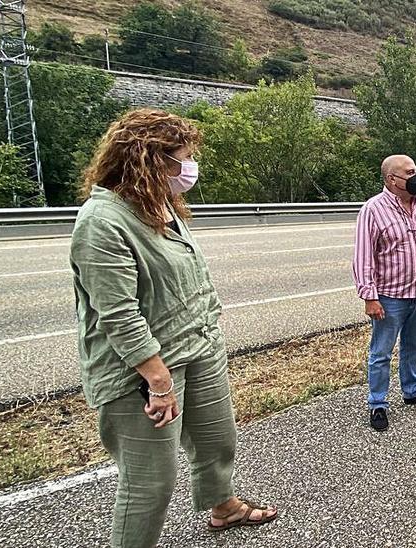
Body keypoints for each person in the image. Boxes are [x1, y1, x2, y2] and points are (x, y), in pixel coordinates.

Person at [71, 109, 277, 548]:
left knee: (217, 440)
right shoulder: (101, 222)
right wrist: (158, 380)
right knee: (150, 482)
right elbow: (118, 312)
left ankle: (223, 506)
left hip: (197, 347)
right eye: (182, 157)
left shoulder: (158, 204)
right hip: (143, 372)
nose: (189, 167)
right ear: (149, 160)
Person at [353, 154, 416, 432]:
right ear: (392, 179)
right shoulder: (373, 209)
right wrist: (369, 296)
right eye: (409, 172)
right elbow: (363, 255)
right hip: (389, 297)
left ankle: (413, 391)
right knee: (381, 352)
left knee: (414, 346)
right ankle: (378, 404)